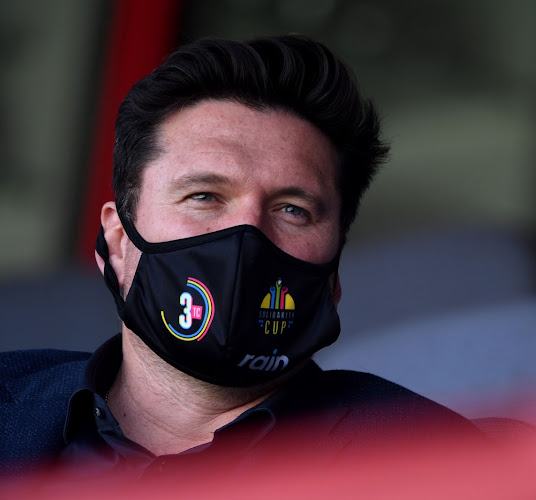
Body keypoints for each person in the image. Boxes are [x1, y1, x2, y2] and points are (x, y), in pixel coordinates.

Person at [0, 35, 489, 480]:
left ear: (335, 273)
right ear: (118, 242)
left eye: (293, 210)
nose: (245, 235)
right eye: (204, 196)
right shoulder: (11, 403)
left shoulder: (436, 465)